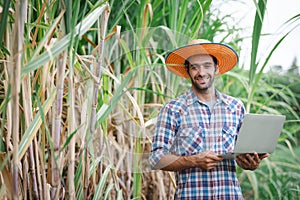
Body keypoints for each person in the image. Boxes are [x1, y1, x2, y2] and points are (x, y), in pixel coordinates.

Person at [149, 39, 269, 199]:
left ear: (216, 68)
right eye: (194, 67)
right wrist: (193, 161)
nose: (201, 72)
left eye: (207, 65)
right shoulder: (173, 109)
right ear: (188, 71)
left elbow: (240, 156)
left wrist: (250, 163)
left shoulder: (235, 106)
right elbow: (156, 159)